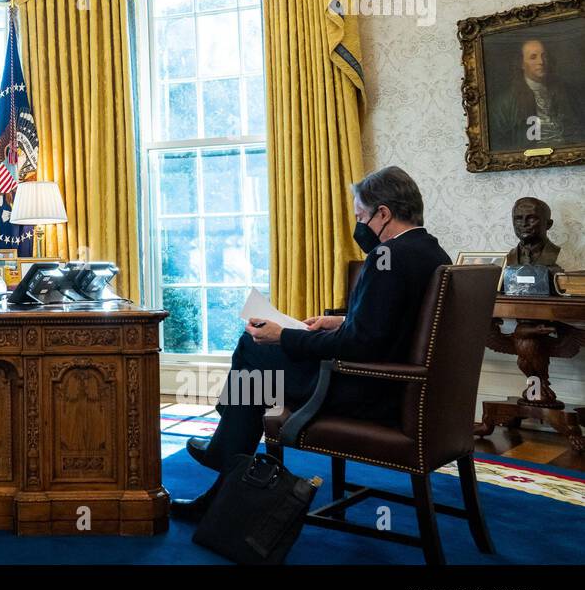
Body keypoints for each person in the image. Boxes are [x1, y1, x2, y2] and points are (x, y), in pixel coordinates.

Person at [170, 166, 450, 520]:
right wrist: (342, 320)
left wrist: (284, 335)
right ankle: (224, 475)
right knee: (257, 374)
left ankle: (224, 458)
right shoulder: (432, 253)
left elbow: (358, 346)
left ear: (383, 213)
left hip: (366, 391)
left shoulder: (386, 257)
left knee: (253, 347)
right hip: (402, 388)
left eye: (361, 216)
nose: (359, 226)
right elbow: (397, 324)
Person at [488, 37, 584, 150]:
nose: (541, 62)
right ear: (522, 64)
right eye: (533, 57)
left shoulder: (567, 92)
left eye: (544, 56)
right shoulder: (505, 103)